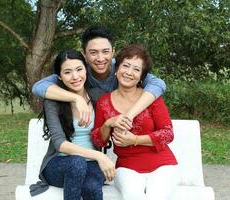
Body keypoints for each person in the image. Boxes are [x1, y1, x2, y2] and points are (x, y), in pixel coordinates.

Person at [32, 25, 166, 130]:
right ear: (84, 53)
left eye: (106, 52)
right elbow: (39, 87)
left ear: (113, 51)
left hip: (126, 128)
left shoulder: (123, 70)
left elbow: (158, 84)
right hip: (95, 130)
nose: (100, 59)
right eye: (93, 53)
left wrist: (129, 115)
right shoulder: (79, 73)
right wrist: (76, 98)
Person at [91, 44, 178, 200]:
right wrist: (108, 123)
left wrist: (135, 140)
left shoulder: (151, 98)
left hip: (162, 164)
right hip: (127, 167)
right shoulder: (104, 102)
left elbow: (168, 133)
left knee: (156, 197)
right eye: (126, 66)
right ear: (116, 69)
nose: (129, 73)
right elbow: (98, 140)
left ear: (141, 76)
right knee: (132, 195)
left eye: (136, 69)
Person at [29, 49, 115, 200]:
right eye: (67, 72)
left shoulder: (98, 96)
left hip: (93, 165)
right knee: (77, 163)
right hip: (59, 164)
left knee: (92, 188)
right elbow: (59, 144)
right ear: (59, 78)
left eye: (79, 69)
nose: (75, 77)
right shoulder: (53, 101)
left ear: (86, 70)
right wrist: (99, 156)